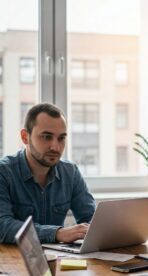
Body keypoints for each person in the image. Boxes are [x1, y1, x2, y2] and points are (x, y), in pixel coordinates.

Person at [0, 103, 95, 244]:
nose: (55, 147)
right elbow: (3, 226)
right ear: (25, 137)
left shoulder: (70, 172)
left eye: (61, 138)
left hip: (57, 260)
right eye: (46, 137)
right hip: (13, 261)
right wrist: (57, 233)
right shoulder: (4, 172)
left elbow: (91, 218)